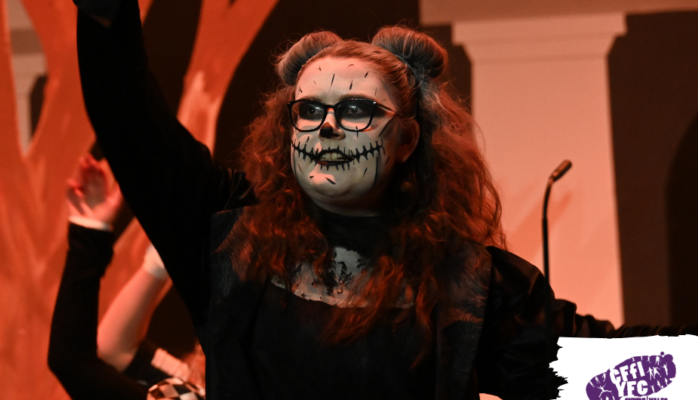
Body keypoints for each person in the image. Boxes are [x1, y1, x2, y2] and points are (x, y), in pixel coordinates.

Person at [73, 1, 697, 398]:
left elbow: (596, 370)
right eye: (309, 111)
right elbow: (133, 126)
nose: (326, 127)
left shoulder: (467, 284)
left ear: (406, 141)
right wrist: (104, 13)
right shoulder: (228, 236)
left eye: (355, 110)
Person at [48, 155, 205, 399]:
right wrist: (164, 256)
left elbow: (74, 362)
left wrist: (88, 242)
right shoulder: (196, 388)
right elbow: (115, 352)